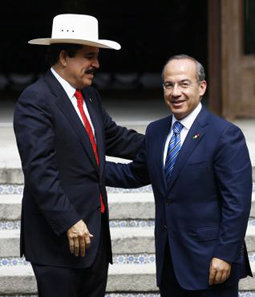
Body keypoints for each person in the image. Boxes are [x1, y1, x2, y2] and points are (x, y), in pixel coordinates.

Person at [13, 14, 144, 297]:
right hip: (58, 241)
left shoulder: (90, 96)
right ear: (63, 57)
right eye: (89, 56)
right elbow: (39, 171)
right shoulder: (35, 100)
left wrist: (169, 143)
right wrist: (69, 221)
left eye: (96, 57)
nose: (96, 64)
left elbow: (116, 138)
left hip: (95, 241)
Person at [105, 54, 253, 297]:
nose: (176, 92)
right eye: (168, 85)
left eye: (184, 84)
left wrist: (225, 254)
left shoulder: (225, 135)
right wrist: (86, 167)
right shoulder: (156, 131)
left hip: (211, 264)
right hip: (170, 262)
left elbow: (237, 204)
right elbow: (134, 174)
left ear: (201, 87)